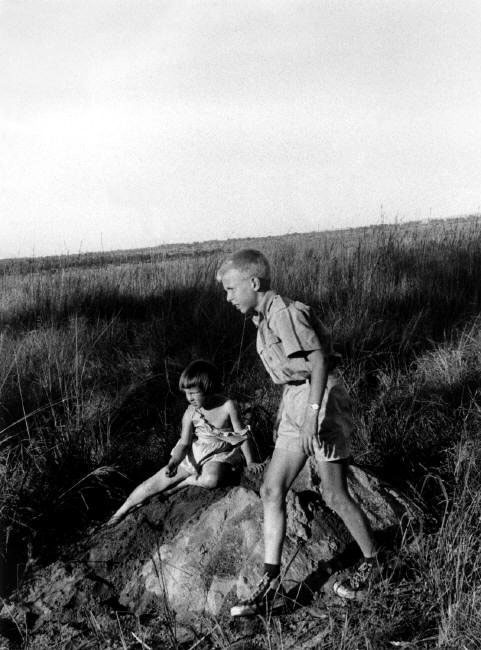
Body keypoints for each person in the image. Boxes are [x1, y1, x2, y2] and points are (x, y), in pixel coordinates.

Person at [216, 249, 379, 616]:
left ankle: (375, 562)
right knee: (271, 489)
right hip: (297, 400)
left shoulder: (285, 313)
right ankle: (270, 582)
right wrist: (288, 416)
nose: (228, 298)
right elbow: (292, 374)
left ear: (253, 283)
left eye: (231, 289)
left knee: (334, 494)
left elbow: (319, 361)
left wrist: (311, 417)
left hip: (320, 399)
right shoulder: (264, 318)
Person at [107, 359, 255, 526]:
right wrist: (173, 463)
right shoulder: (190, 412)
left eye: (193, 393)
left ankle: (185, 482)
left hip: (220, 453)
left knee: (210, 480)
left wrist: (250, 462)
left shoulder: (228, 405)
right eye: (186, 393)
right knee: (153, 484)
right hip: (197, 452)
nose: (189, 398)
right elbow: (184, 444)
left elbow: (241, 435)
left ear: (208, 388)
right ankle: (121, 511)